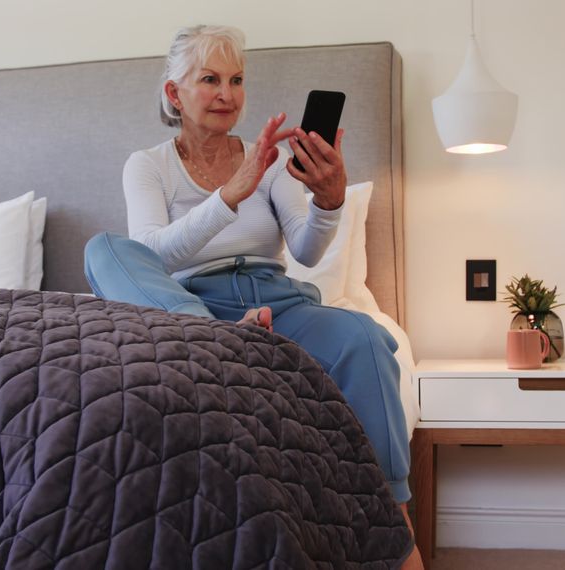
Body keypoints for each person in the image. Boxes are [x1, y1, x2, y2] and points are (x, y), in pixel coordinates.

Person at [84, 25, 422, 568]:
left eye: (237, 80)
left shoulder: (264, 159)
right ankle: (215, 339)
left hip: (274, 304)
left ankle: (394, 524)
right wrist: (230, 194)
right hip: (190, 308)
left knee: (366, 335)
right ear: (175, 93)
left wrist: (329, 201)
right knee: (105, 249)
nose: (227, 94)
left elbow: (308, 250)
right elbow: (152, 255)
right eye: (211, 79)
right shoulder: (147, 165)